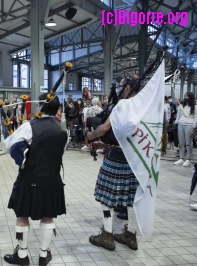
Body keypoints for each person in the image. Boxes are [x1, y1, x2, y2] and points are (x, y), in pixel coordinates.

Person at [3, 93, 67, 266]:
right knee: (48, 217)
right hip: (52, 178)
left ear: (40, 107)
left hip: (29, 178)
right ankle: (43, 255)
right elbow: (61, 151)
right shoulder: (63, 129)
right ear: (57, 109)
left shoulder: (30, 126)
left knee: (22, 215)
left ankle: (22, 256)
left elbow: (8, 145)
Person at [86, 75, 140, 251]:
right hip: (135, 159)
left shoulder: (123, 105)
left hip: (116, 158)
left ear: (127, 88)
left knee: (105, 196)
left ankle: (107, 235)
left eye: (121, 86)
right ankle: (130, 235)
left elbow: (104, 128)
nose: (118, 89)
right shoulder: (145, 106)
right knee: (132, 198)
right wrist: (106, 143)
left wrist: (91, 136)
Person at [174, 92, 197, 167]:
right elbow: (178, 116)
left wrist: (193, 128)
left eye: (187, 96)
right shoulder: (181, 106)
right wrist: (176, 124)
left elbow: (195, 118)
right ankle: (181, 158)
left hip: (189, 125)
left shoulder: (194, 107)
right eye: (185, 96)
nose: (185, 97)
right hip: (180, 124)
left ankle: (188, 159)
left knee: (188, 143)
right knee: (181, 142)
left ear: (190, 97)